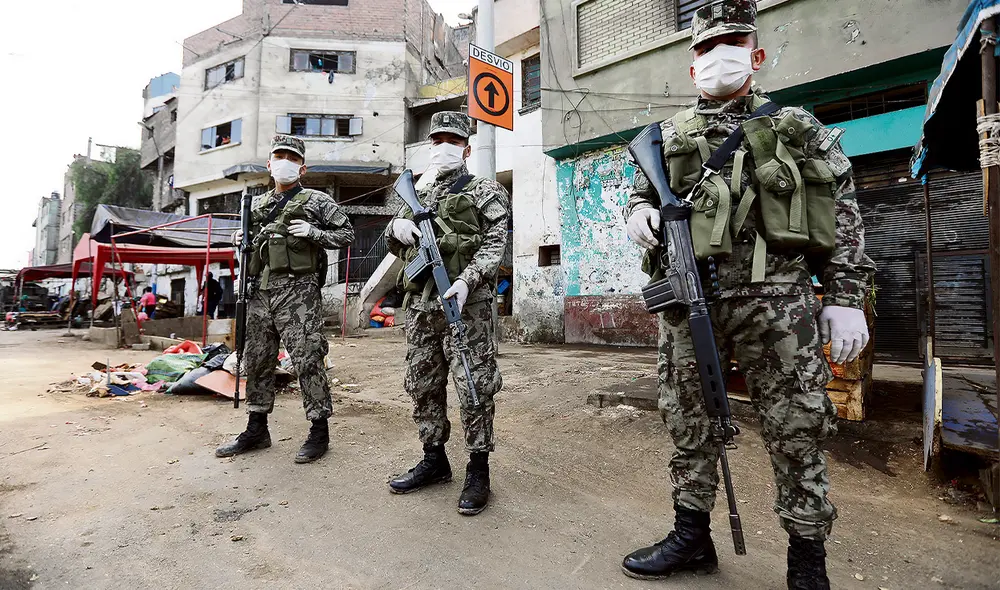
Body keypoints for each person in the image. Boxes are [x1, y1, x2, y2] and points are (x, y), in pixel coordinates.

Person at [620, 2, 875, 588]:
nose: (717, 57)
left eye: (731, 43)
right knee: (687, 418)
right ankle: (692, 537)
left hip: (778, 302)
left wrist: (845, 296)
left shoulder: (795, 127)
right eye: (705, 49)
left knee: (797, 424)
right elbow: (638, 186)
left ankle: (806, 561)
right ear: (691, 67)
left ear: (756, 56)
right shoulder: (665, 135)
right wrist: (638, 208)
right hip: (689, 298)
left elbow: (842, 214)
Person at [384, 111, 509, 515]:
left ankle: (478, 470)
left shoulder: (485, 190)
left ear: (467, 148)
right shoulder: (416, 193)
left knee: (473, 384)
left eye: (451, 141)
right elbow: (395, 246)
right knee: (423, 382)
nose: (443, 147)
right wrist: (395, 231)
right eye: (436, 140)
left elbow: (495, 244)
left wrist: (469, 279)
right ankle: (434, 458)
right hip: (421, 306)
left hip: (466, 306)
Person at [215, 135, 354, 464]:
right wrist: (241, 240)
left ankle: (319, 431)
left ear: (302, 167)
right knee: (258, 361)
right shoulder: (257, 205)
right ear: (269, 163)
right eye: (279, 155)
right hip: (260, 292)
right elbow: (251, 251)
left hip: (299, 292)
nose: (284, 162)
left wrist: (315, 233)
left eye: (291, 157)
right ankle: (256, 428)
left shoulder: (316, 201)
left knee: (307, 360)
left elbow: (346, 233)